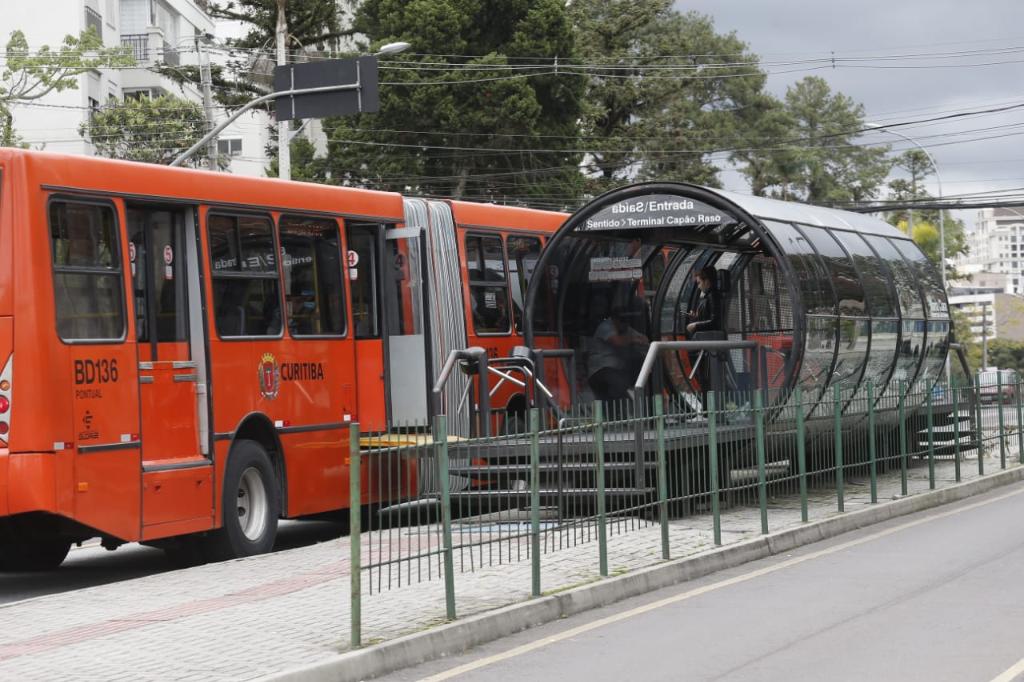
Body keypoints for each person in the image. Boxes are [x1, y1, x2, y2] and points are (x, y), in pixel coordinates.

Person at [587, 305, 649, 402]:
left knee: (642, 363)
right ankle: (626, 406)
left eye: (626, 321)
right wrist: (634, 339)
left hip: (619, 369)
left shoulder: (625, 327)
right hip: (600, 370)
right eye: (621, 321)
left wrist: (640, 340)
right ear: (614, 319)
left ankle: (644, 397)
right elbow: (618, 341)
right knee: (616, 382)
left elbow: (644, 339)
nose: (624, 324)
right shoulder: (605, 326)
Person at [685, 266, 723, 397]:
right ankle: (708, 405)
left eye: (699, 282)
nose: (699, 286)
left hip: (709, 346)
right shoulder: (707, 296)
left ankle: (710, 406)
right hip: (705, 344)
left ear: (707, 281)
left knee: (707, 380)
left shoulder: (713, 296)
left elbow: (715, 321)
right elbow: (708, 317)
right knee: (704, 380)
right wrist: (696, 317)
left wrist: (696, 325)